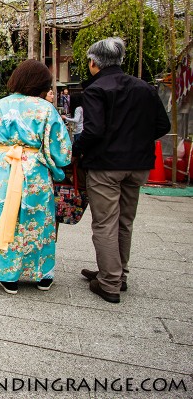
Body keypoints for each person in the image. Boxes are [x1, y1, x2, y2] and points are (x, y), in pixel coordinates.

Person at [73, 37, 170, 304]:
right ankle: (118, 273)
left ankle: (109, 282)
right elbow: (162, 125)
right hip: (138, 165)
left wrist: (76, 148)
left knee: (105, 222)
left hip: (105, 166)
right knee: (125, 221)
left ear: (94, 63)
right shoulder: (145, 88)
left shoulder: (96, 89)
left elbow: (93, 131)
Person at [0, 60, 71, 295]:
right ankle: (42, 274)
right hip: (35, 170)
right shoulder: (44, 108)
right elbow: (60, 148)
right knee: (38, 220)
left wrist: (1, 160)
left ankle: (8, 275)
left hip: (6, 168)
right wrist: (57, 166)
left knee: (5, 218)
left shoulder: (0, 106)